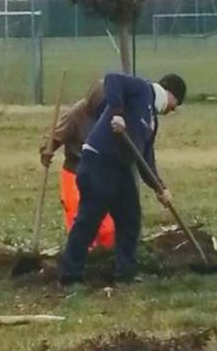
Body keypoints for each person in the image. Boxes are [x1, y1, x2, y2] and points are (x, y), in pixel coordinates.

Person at [59, 71, 187, 286]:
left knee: (130, 220)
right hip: (98, 161)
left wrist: (159, 188)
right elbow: (112, 79)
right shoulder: (141, 89)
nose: (172, 109)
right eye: (175, 104)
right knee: (88, 221)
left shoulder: (151, 122)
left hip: (120, 168)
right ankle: (70, 276)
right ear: (171, 95)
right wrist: (117, 113)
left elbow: (145, 159)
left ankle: (126, 273)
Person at [39, 79, 115, 249]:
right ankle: (80, 264)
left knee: (108, 229)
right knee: (82, 225)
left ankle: (106, 259)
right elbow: (54, 136)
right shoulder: (76, 115)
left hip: (101, 175)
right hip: (74, 174)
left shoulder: (114, 116)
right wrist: (47, 148)